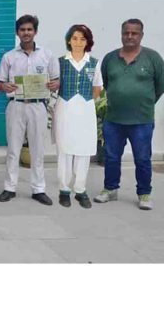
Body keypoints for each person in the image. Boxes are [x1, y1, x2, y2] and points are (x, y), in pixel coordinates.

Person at [95, 19, 164, 210]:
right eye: (126, 32)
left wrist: (144, 103)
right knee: (111, 156)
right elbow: (106, 84)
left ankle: (144, 193)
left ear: (141, 35)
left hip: (141, 120)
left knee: (142, 158)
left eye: (134, 33)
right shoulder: (110, 58)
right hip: (114, 119)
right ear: (121, 34)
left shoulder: (152, 58)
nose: (130, 36)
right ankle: (110, 189)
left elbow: (160, 86)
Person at [0, 15, 60, 206]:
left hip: (38, 105)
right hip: (16, 105)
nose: (26, 33)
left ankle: (38, 189)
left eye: (29, 29)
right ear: (17, 33)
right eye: (22, 30)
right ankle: (9, 187)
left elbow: (56, 81)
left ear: (35, 32)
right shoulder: (9, 56)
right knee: (13, 149)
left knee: (37, 149)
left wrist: (55, 84)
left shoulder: (47, 55)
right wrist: (4, 87)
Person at [53, 24, 102, 209]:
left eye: (82, 39)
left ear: (88, 42)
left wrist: (85, 101)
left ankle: (80, 190)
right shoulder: (61, 61)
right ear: (68, 40)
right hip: (65, 108)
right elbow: (54, 84)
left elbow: (97, 87)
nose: (78, 42)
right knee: (64, 150)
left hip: (85, 110)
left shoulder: (94, 62)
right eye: (74, 38)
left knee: (83, 150)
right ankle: (64, 190)